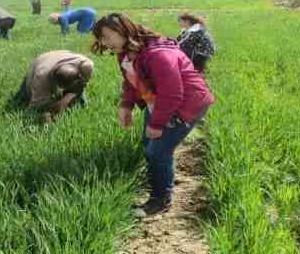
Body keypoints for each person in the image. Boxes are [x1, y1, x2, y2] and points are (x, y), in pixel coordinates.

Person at [91, 13, 214, 216]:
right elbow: (131, 80)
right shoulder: (126, 52)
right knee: (149, 145)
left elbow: (172, 94)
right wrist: (126, 106)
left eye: (107, 36)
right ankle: (160, 177)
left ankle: (160, 199)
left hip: (186, 106)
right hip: (160, 103)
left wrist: (157, 124)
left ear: (123, 31)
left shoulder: (158, 55)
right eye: (101, 38)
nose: (104, 43)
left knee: (157, 151)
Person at [12, 50, 94, 123]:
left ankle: (82, 105)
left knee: (78, 93)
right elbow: (37, 104)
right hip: (41, 61)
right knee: (24, 98)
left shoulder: (86, 65)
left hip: (62, 55)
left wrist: (74, 92)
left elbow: (82, 84)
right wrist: (56, 107)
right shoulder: (41, 76)